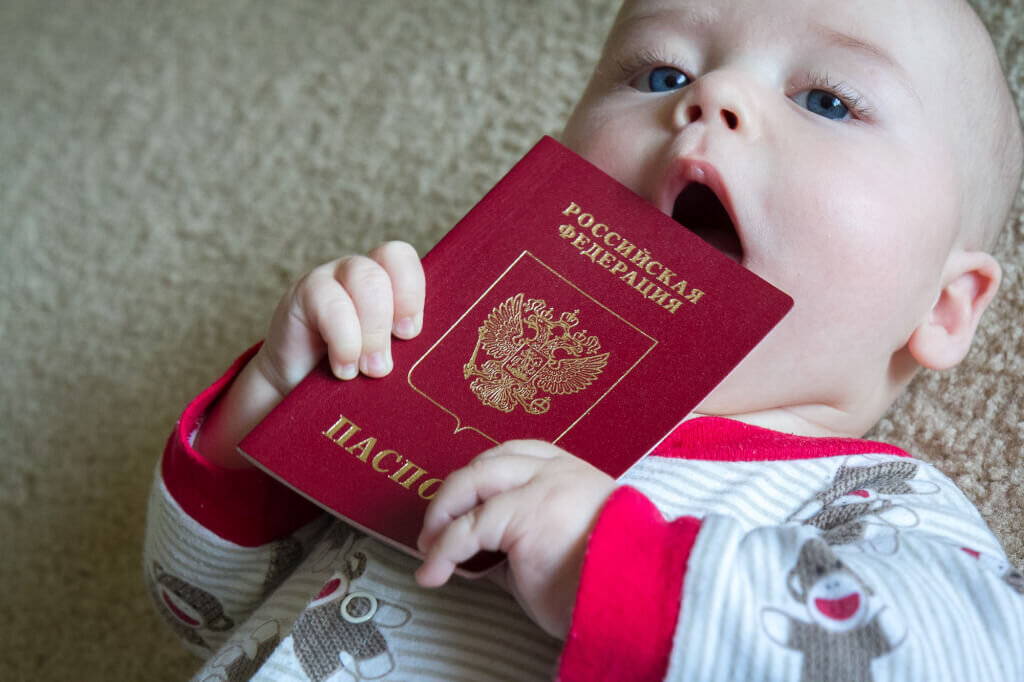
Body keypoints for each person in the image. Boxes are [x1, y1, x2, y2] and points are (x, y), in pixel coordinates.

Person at [145, 0, 1024, 679]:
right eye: (659, 72)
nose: (713, 96)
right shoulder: (445, 372)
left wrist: (607, 567)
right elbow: (199, 613)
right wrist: (273, 408)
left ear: (944, 307)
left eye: (827, 100)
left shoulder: (867, 502)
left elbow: (971, 654)